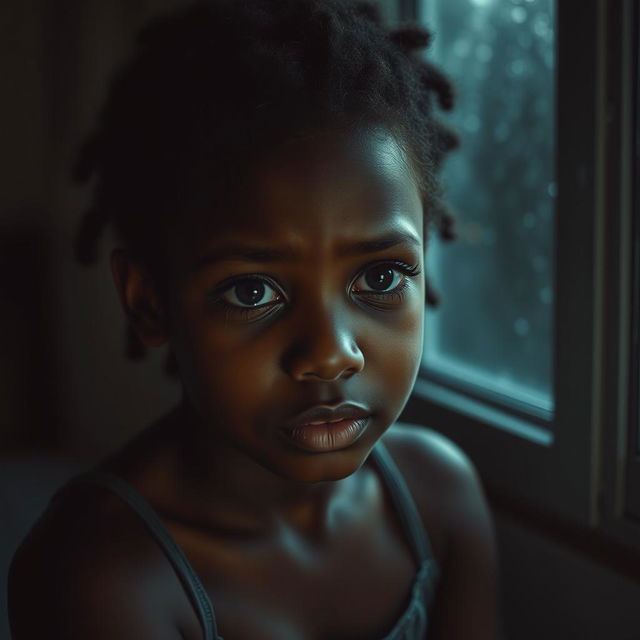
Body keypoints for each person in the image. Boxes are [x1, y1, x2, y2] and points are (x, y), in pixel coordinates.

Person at [8, 1, 501, 638]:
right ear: (147, 301)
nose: (329, 353)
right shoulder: (100, 578)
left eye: (379, 277)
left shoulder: (440, 500)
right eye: (251, 292)